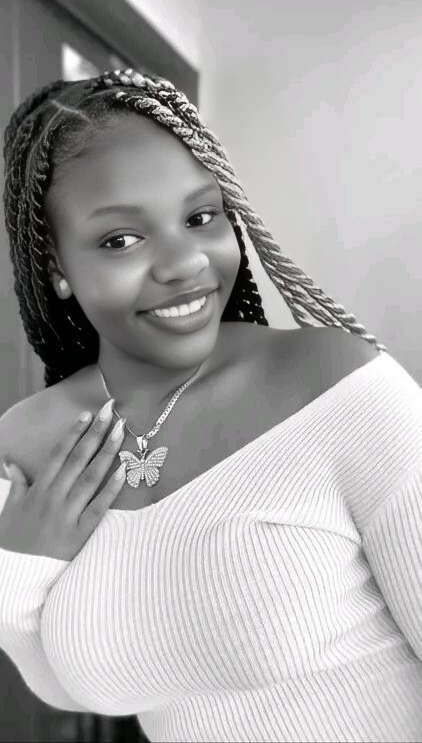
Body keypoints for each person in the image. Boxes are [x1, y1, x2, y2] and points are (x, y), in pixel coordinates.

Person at [0, 68, 421, 743]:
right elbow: (65, 686)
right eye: (121, 239)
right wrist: (18, 562)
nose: (185, 262)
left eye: (201, 217)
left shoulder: (340, 388)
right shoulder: (26, 441)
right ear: (56, 265)